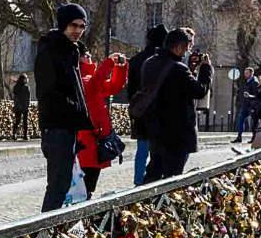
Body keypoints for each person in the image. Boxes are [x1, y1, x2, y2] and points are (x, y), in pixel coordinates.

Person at [33, 3, 94, 211]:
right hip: (57, 125)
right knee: (58, 185)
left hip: (67, 125)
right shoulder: (51, 51)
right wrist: (75, 109)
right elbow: (49, 91)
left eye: (81, 26)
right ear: (63, 25)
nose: (77, 30)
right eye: (73, 25)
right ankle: (44, 232)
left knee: (63, 183)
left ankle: (50, 230)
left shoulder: (70, 51)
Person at [139, 27, 212, 182]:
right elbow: (199, 91)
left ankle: (145, 203)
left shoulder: (150, 63)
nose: (186, 53)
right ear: (178, 47)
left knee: (154, 171)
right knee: (172, 177)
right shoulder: (177, 68)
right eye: (186, 48)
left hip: (155, 128)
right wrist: (205, 69)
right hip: (177, 132)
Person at [75, 50, 129, 197]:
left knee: (89, 184)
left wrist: (120, 68)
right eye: (85, 55)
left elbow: (114, 86)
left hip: (96, 140)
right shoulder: (82, 79)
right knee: (85, 184)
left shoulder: (91, 78)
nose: (89, 56)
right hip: (88, 140)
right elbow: (94, 84)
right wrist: (109, 63)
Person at [127, 23, 167, 184]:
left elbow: (130, 88)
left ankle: (138, 180)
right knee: (158, 150)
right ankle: (153, 181)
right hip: (158, 111)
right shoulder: (162, 60)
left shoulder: (136, 59)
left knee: (142, 149)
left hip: (141, 110)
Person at [234, 68, 259, 143]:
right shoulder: (246, 82)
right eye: (245, 73)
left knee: (254, 122)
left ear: (251, 73)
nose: (245, 74)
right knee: (240, 120)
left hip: (252, 105)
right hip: (245, 105)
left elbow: (256, 95)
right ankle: (239, 137)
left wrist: (249, 96)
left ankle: (254, 137)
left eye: (247, 73)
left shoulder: (254, 82)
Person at [11, 74, 32, 139]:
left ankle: (14, 134)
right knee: (24, 121)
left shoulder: (16, 87)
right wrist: (27, 105)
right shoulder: (25, 88)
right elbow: (28, 98)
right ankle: (24, 135)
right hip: (23, 106)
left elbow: (15, 98)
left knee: (18, 121)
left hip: (19, 106)